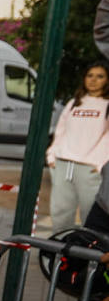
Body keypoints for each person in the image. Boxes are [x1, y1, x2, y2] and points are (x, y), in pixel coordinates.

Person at [46, 60, 108, 231]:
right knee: (60, 215)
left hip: (91, 168)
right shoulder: (74, 103)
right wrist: (52, 156)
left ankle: (88, 255)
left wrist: (98, 162)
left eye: (100, 76)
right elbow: (61, 130)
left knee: (91, 216)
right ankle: (59, 255)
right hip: (63, 164)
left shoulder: (106, 104)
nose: (93, 80)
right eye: (90, 76)